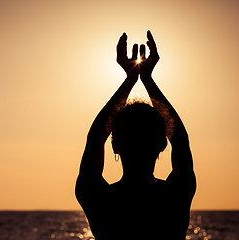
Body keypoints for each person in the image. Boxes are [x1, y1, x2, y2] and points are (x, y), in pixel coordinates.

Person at [75, 31, 196, 240]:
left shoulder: (101, 200)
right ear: (161, 143)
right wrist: (147, 79)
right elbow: (180, 138)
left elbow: (95, 138)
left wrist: (130, 79)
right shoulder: (174, 196)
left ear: (114, 145)